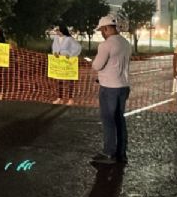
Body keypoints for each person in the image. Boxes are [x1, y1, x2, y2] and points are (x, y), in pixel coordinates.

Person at [90, 14, 131, 165]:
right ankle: (121, 153)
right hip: (123, 86)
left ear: (107, 28)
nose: (101, 32)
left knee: (108, 121)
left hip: (109, 88)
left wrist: (95, 63)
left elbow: (97, 65)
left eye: (102, 29)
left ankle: (109, 153)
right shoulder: (126, 43)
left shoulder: (106, 45)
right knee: (119, 120)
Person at [51, 24, 82, 105]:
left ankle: (70, 99)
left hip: (68, 62)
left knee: (70, 79)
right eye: (56, 30)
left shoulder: (69, 39)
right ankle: (60, 98)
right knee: (59, 79)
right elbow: (54, 48)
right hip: (59, 62)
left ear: (62, 30)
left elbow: (78, 47)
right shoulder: (56, 39)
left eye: (58, 30)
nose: (56, 32)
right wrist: (55, 53)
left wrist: (71, 54)